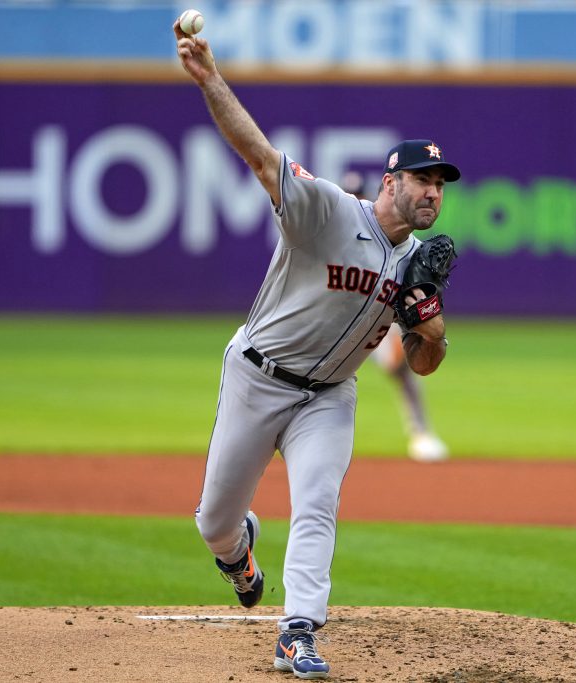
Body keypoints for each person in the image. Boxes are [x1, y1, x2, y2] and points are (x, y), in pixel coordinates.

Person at [175, 20, 460, 681]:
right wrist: (210, 77)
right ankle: (238, 552)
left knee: (318, 501)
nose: (434, 192)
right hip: (258, 377)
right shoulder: (329, 211)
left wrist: (432, 327)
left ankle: (298, 630)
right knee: (214, 519)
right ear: (391, 182)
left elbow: (423, 361)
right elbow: (255, 151)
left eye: (441, 184)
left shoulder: (421, 264)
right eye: (423, 179)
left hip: (328, 397)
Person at [340, 171, 450, 463]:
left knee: (399, 368)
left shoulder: (394, 242)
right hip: (336, 316)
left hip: (378, 312)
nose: (357, 200)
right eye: (351, 195)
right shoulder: (334, 231)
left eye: (360, 194)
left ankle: (421, 433)